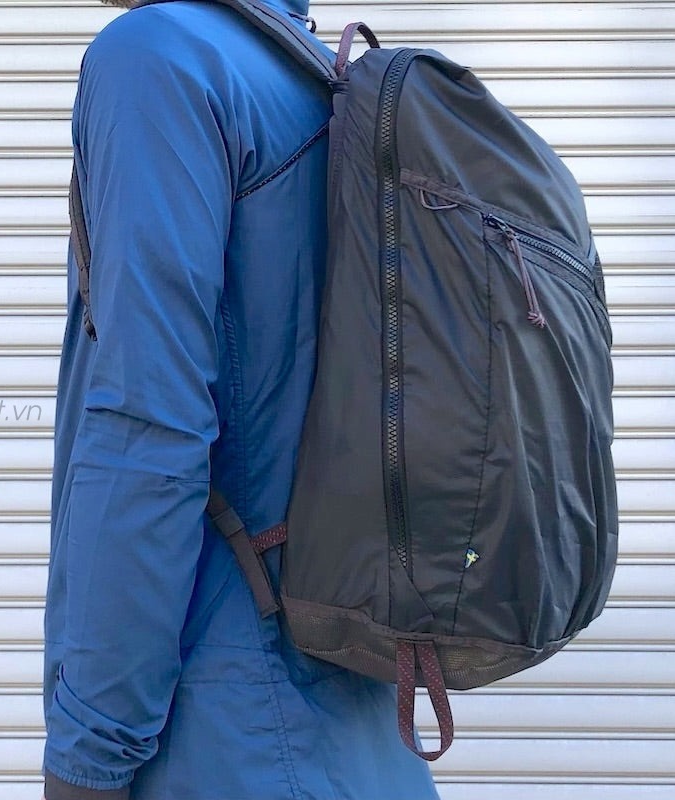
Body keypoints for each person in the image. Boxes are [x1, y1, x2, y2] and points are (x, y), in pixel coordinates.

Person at [42, 0, 442, 797]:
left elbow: (146, 435)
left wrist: (87, 758)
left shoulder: (157, 59)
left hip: (221, 737)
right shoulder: (311, 80)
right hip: (362, 735)